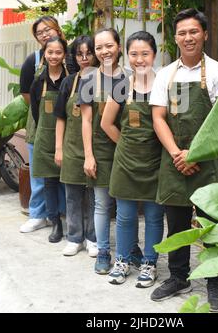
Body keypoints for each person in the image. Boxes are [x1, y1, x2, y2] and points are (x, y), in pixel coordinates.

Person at [149, 8, 218, 312]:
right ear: (175, 38)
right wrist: (177, 154)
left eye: (194, 31)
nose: (188, 37)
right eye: (182, 33)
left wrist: (195, 154)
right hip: (174, 160)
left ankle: (214, 280)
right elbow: (158, 117)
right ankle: (178, 277)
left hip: (209, 161)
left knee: (212, 224)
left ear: (205, 34)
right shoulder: (165, 74)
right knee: (178, 224)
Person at [101, 31, 164, 288]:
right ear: (127, 56)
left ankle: (149, 263)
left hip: (156, 163)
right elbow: (106, 123)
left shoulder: (165, 84)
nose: (139, 59)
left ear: (154, 55)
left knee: (154, 216)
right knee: (125, 217)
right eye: (134, 54)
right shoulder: (121, 86)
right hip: (126, 164)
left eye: (145, 53)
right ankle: (123, 260)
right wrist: (126, 145)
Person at [78, 28, 127, 274]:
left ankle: (128, 251)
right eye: (99, 47)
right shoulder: (88, 79)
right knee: (102, 204)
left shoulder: (131, 77)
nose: (104, 51)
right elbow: (86, 121)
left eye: (109, 45)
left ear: (118, 46)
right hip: (100, 149)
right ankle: (104, 252)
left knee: (126, 204)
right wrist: (88, 155)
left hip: (128, 149)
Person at [19, 16, 67, 233]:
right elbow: (27, 94)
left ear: (57, 28)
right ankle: (38, 214)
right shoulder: (33, 59)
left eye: (48, 29)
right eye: (40, 32)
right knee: (39, 173)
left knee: (64, 175)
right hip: (38, 124)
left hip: (66, 124)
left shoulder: (69, 55)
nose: (45, 34)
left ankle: (60, 215)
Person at [54, 35, 98, 257]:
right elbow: (60, 117)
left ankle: (92, 237)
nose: (84, 58)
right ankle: (74, 237)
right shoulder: (68, 82)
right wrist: (59, 148)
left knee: (93, 196)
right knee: (72, 195)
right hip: (71, 148)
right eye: (79, 54)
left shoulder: (104, 81)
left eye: (88, 53)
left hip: (96, 149)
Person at [30, 36, 68, 243]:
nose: (54, 56)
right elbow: (36, 113)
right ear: (44, 54)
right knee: (49, 184)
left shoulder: (71, 80)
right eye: (50, 52)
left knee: (72, 183)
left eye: (58, 52)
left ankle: (75, 222)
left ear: (64, 55)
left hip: (69, 139)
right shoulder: (38, 82)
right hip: (45, 140)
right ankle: (55, 222)